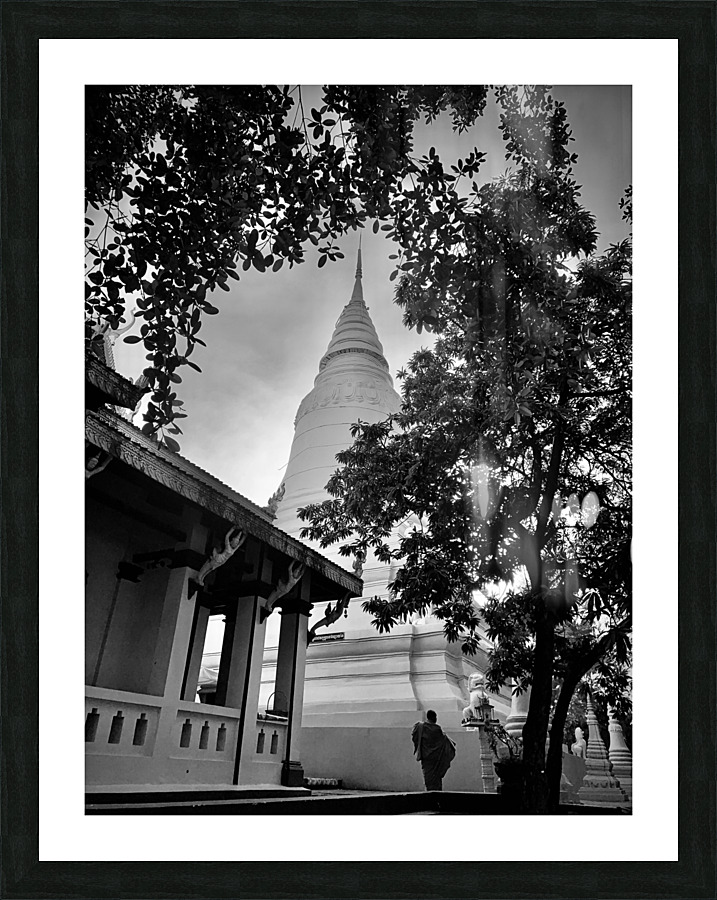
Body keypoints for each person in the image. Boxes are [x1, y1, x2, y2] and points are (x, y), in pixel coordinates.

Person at [411, 709, 456, 791]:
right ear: (434, 718)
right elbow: (443, 743)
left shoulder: (420, 727)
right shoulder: (437, 729)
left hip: (427, 759)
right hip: (436, 760)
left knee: (428, 780)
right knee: (436, 781)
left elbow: (414, 737)